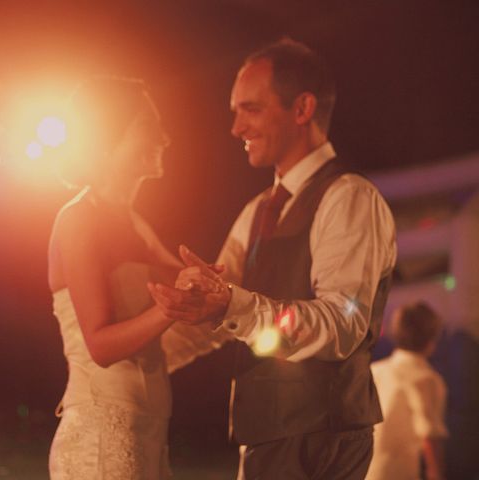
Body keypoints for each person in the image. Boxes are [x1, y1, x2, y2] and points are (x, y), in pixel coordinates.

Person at [148, 38, 397, 479]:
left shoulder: (349, 197)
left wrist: (231, 305)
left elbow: (342, 324)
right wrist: (138, 361)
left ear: (302, 109)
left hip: (323, 439)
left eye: (251, 109)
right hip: (266, 434)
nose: (236, 128)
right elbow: (219, 319)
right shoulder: (257, 210)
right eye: (235, 111)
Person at [47, 76, 227, 479]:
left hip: (147, 434)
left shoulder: (136, 224)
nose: (165, 138)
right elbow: (101, 345)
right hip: (99, 441)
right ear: (113, 133)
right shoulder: (78, 219)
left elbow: (189, 291)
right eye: (151, 124)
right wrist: (171, 307)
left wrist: (213, 288)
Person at [366, 302, 448, 480]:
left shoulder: (375, 370)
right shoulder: (426, 378)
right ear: (432, 338)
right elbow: (430, 436)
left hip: (365, 471)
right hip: (397, 473)